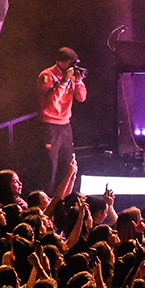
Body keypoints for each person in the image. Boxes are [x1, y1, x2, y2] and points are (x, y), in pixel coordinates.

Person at [37, 46, 87, 194]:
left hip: (65, 125)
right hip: (49, 126)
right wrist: (64, 81)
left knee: (68, 165)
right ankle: (47, 199)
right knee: (50, 167)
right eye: (70, 63)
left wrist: (78, 82)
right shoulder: (47, 75)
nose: (73, 67)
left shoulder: (71, 76)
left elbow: (82, 98)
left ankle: (66, 196)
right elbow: (51, 103)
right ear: (60, 62)